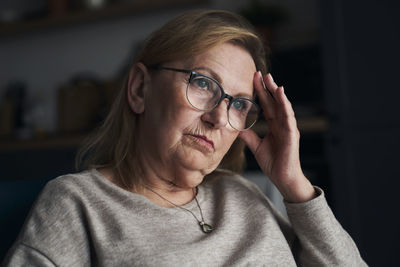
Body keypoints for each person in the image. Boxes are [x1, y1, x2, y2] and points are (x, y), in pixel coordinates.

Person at [3, 9, 367, 266]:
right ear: (140, 88)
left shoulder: (243, 195)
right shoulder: (77, 204)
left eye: (239, 104)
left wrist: (294, 184)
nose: (217, 118)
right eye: (203, 83)